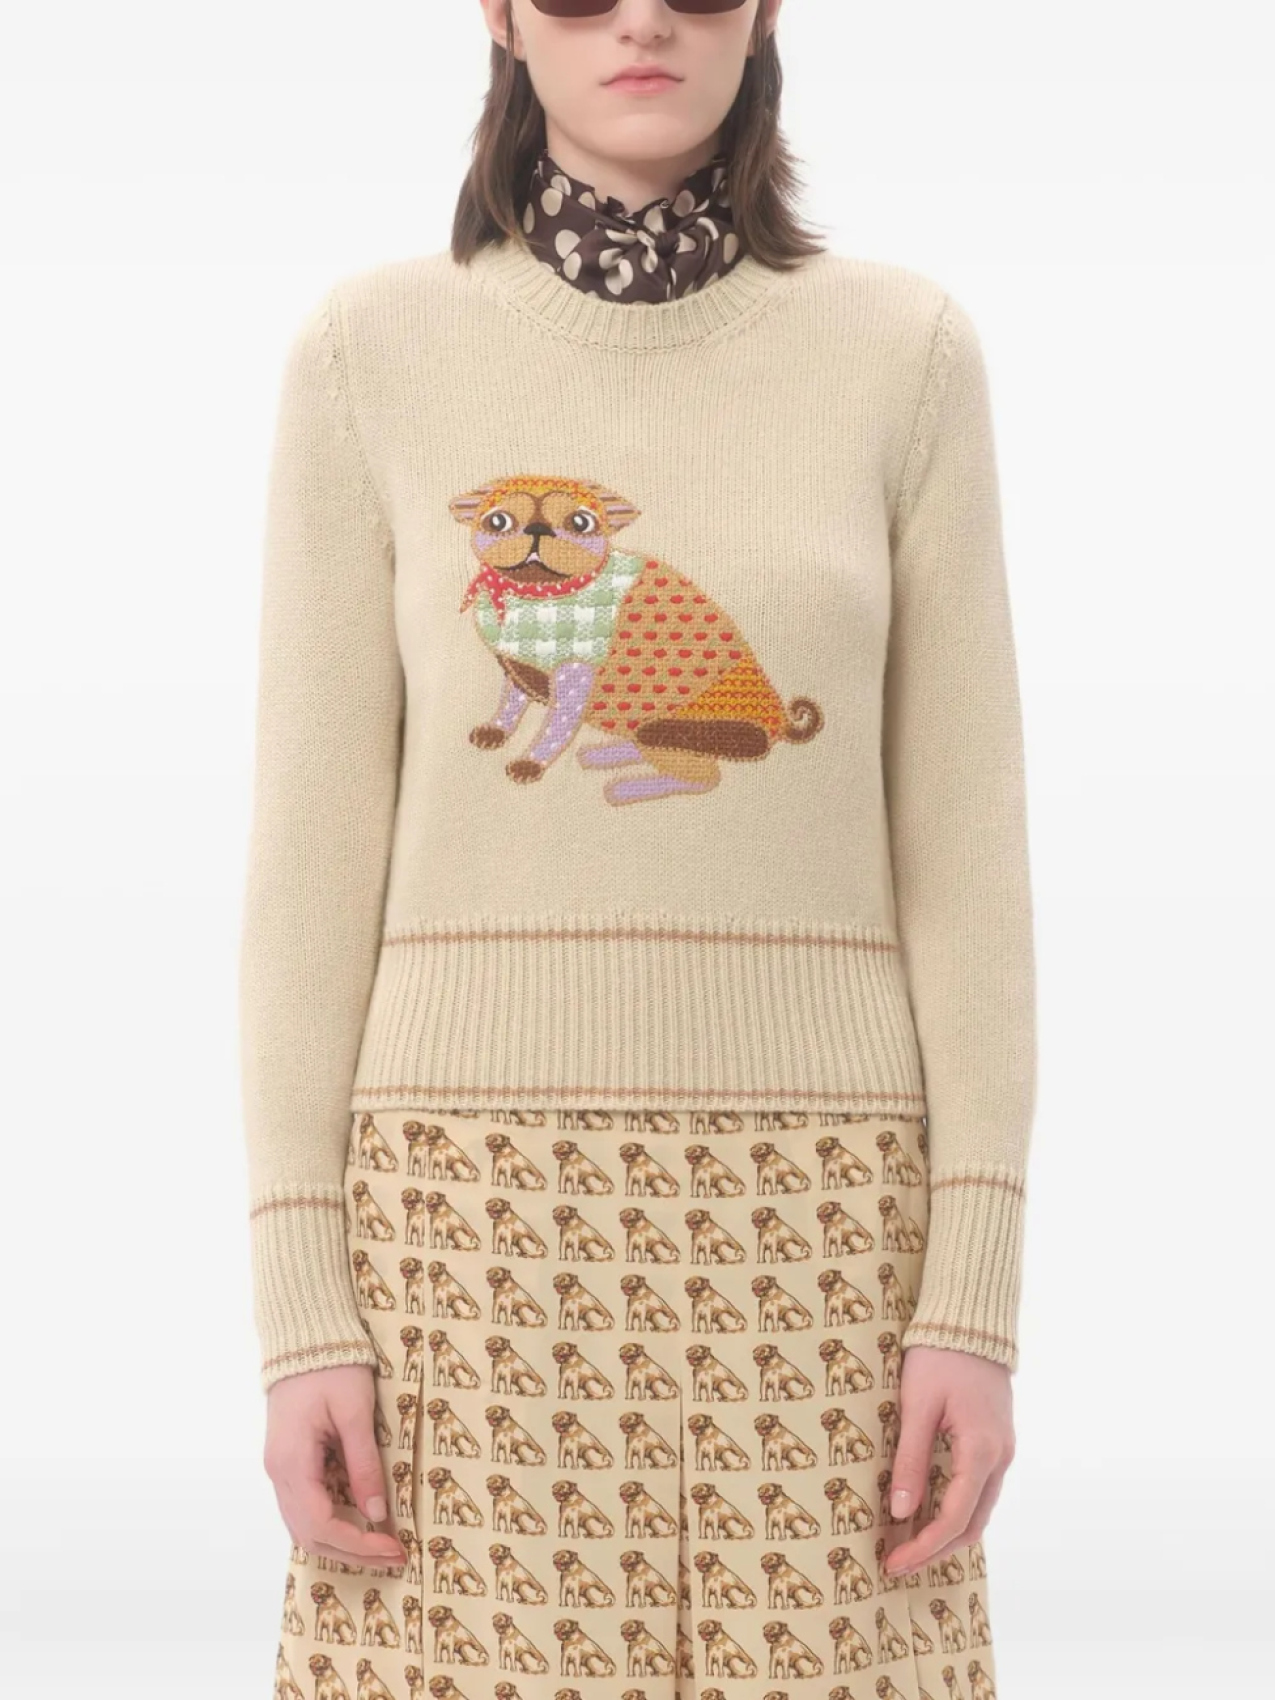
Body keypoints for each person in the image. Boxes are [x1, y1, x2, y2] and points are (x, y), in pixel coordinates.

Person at [238, 2, 1035, 1695]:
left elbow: (968, 871)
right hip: (463, 1221)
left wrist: (971, 1297)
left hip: (825, 1224)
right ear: (501, 17)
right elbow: (308, 876)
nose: (645, 18)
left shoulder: (906, 358)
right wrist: (302, 1309)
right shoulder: (369, 354)